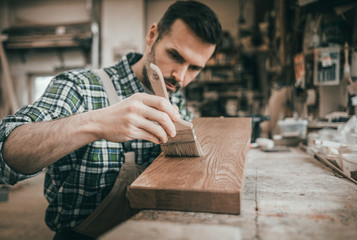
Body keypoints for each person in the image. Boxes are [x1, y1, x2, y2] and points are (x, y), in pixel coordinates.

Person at [0, 1, 222, 239]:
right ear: (152, 35)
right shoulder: (80, 86)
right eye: (174, 55)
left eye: (195, 68)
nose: (180, 75)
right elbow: (6, 157)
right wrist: (95, 123)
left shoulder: (178, 104)